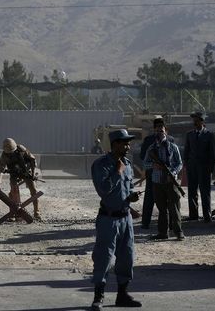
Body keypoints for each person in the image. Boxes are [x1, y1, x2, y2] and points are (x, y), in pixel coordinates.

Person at [90, 129, 142, 311]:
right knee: (104, 258)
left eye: (128, 143)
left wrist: (130, 197)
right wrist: (116, 173)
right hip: (108, 220)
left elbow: (124, 190)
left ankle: (122, 294)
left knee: (127, 258)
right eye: (125, 143)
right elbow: (103, 190)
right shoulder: (102, 165)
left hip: (125, 218)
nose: (128, 146)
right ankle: (99, 296)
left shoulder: (127, 164)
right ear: (115, 144)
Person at [143, 123, 185, 240]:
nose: (159, 133)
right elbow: (145, 164)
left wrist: (173, 172)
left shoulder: (173, 147)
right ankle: (163, 233)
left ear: (166, 131)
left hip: (171, 181)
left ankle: (178, 232)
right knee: (162, 209)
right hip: (157, 181)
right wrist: (154, 165)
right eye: (157, 131)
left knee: (175, 208)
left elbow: (179, 163)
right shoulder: (151, 148)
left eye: (161, 131)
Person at [139, 118, 175, 229]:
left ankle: (170, 224)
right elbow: (142, 156)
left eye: (161, 126)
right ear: (154, 128)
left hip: (167, 174)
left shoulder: (170, 140)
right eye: (158, 126)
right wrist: (153, 164)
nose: (160, 128)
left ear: (165, 128)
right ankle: (145, 222)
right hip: (152, 174)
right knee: (149, 198)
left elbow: (174, 157)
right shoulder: (149, 140)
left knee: (168, 199)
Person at [0, 138, 42, 219]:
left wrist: (32, 172)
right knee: (13, 193)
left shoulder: (21, 149)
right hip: (14, 174)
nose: (10, 154)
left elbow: (32, 160)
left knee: (34, 191)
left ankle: (37, 212)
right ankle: (14, 213)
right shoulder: (4, 156)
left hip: (26, 172)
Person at [184, 111, 215, 222]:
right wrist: (186, 165)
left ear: (202, 121)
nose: (194, 122)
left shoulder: (209, 135)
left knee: (205, 192)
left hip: (204, 168)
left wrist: (211, 168)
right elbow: (186, 152)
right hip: (192, 168)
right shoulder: (189, 135)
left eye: (196, 119)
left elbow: (212, 153)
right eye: (194, 120)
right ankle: (193, 215)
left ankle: (207, 216)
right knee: (192, 191)